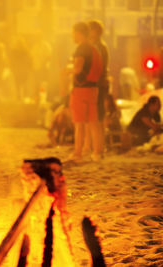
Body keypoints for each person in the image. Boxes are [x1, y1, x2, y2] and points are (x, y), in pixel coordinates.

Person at [67, 22, 103, 162]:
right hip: (93, 88)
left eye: (73, 33)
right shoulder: (94, 49)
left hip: (81, 89)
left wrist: (67, 71)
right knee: (94, 122)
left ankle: (77, 153)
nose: (72, 36)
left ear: (79, 33)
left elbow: (78, 68)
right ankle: (97, 153)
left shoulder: (81, 49)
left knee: (79, 123)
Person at [89, 20, 109, 156]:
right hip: (99, 83)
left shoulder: (99, 47)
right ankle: (98, 147)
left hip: (98, 84)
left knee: (98, 116)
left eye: (90, 29)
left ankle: (100, 148)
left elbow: (99, 67)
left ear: (96, 31)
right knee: (97, 115)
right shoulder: (97, 45)